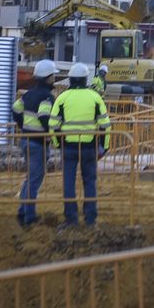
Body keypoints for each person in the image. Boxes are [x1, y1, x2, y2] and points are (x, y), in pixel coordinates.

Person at [49, 62, 111, 228]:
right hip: (89, 147)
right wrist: (104, 147)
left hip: (68, 147)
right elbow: (105, 125)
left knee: (68, 183)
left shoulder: (62, 98)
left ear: (70, 79)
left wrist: (58, 144)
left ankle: (71, 219)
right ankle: (90, 219)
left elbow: (53, 125)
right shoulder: (95, 98)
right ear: (85, 79)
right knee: (89, 182)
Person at [11, 59, 58, 227]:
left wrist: (23, 126)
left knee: (30, 177)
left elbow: (16, 109)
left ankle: (23, 211)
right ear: (48, 77)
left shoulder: (28, 94)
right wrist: (50, 133)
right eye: (53, 75)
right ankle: (29, 217)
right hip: (38, 143)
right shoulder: (47, 97)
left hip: (26, 140)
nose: (54, 78)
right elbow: (44, 116)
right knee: (35, 179)